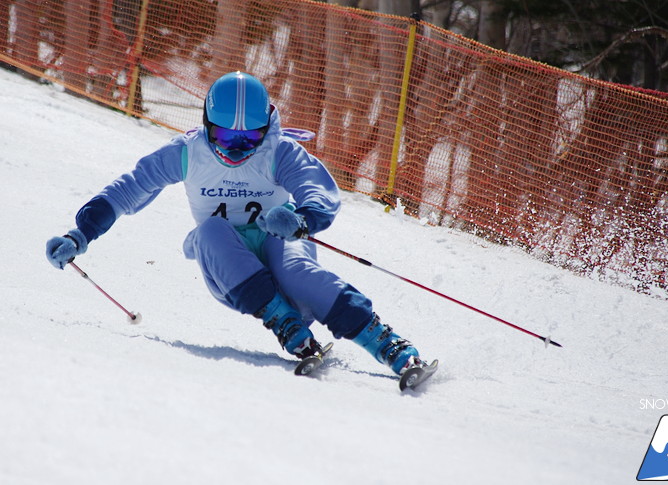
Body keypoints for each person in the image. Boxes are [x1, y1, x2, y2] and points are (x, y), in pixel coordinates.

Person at [46, 71, 426, 376]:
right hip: (230, 268)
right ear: (208, 125)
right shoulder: (187, 153)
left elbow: (318, 190)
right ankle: (284, 323)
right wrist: (82, 233)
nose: (236, 149)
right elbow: (130, 188)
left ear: (266, 131)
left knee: (296, 270)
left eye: (249, 140)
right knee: (209, 231)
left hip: (279, 242)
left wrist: (300, 218)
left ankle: (385, 342)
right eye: (226, 136)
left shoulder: (279, 152)